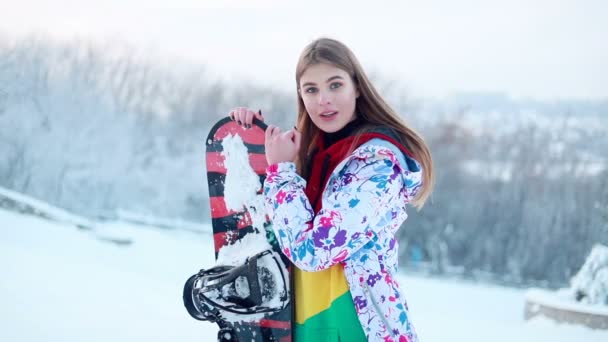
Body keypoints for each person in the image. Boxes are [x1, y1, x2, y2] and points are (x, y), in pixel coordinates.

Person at [229, 37, 434, 342]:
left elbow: (313, 251)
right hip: (305, 319)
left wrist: (281, 171)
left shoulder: (378, 166)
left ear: (357, 88)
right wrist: (253, 140)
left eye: (335, 85)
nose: (323, 99)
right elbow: (278, 222)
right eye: (311, 89)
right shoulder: (313, 154)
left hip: (355, 323)